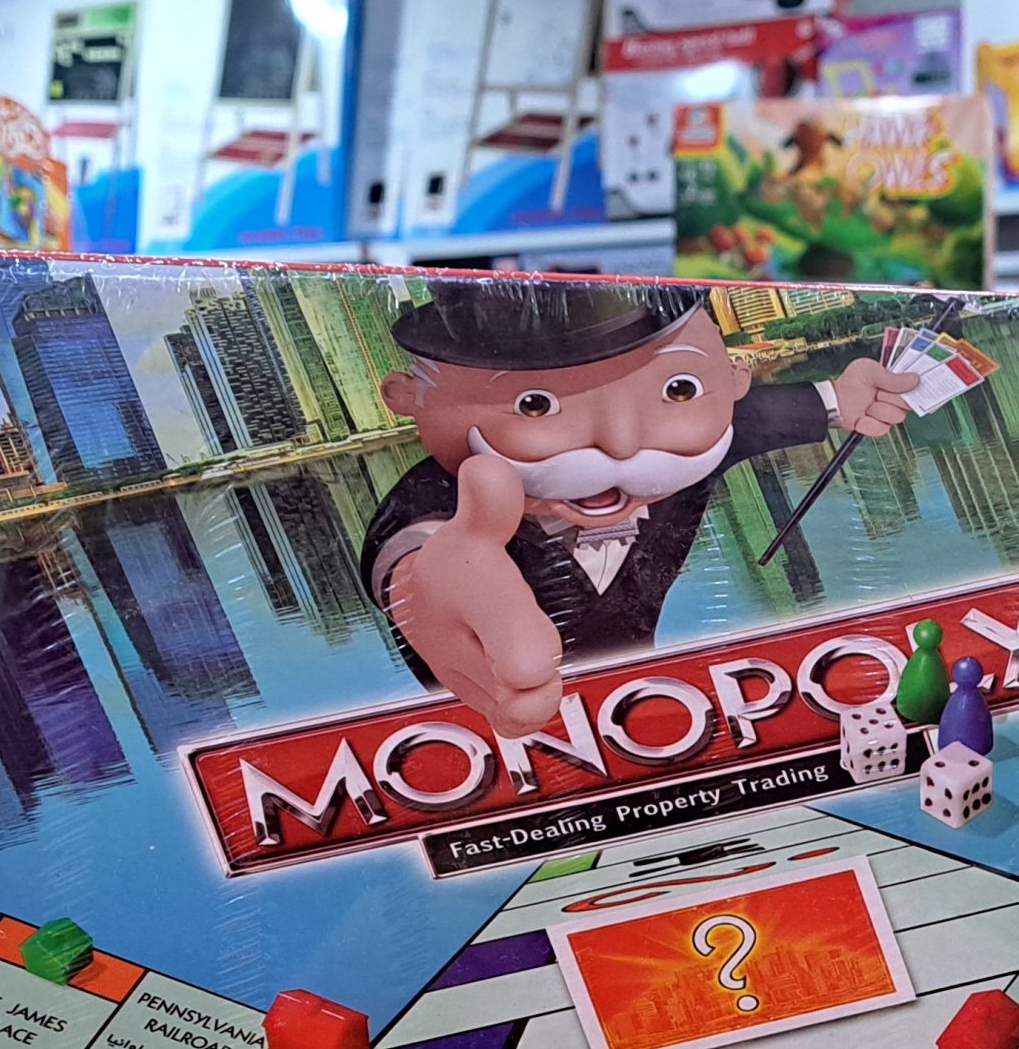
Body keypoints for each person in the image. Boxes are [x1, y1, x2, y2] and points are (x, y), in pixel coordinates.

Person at [361, 281, 919, 733]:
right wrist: (420, 582)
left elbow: (757, 418)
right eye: (534, 406)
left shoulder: (703, 441)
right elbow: (419, 547)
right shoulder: (443, 495)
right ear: (407, 396)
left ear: (734, 379)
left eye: (679, 390)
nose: (621, 445)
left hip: (652, 710)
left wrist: (840, 400)